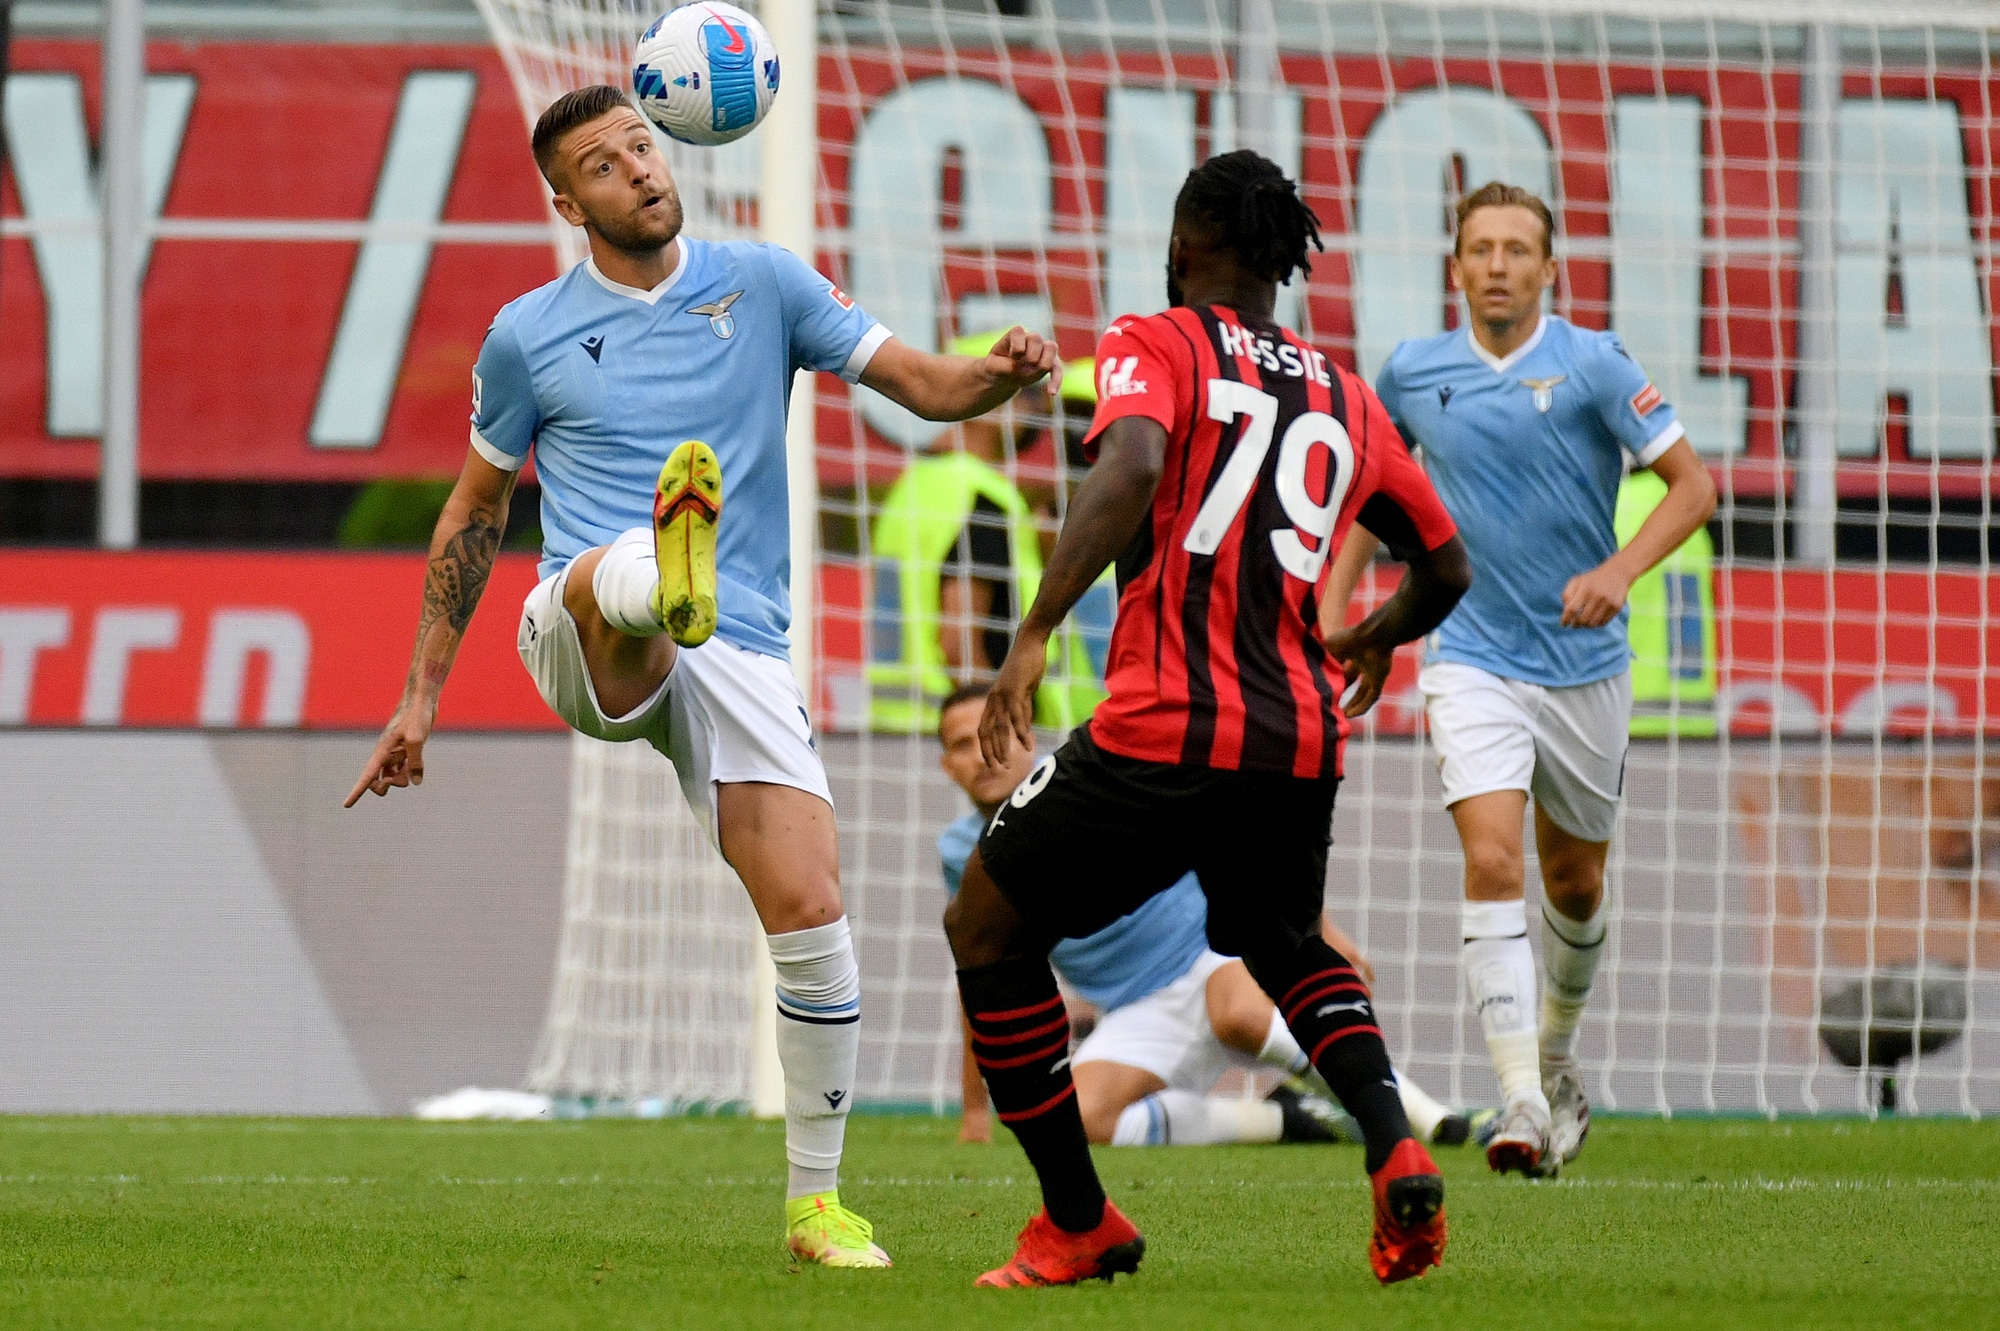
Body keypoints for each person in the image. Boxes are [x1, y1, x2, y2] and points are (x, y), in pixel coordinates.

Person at [342, 85, 1059, 1269]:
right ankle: (655, 576)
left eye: (641, 143)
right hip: (581, 629)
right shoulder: (527, 334)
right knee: (612, 573)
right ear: (567, 203)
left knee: (813, 912)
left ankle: (816, 1207)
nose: (636, 166)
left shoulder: (765, 283)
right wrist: (421, 697)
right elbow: (474, 511)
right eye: (603, 162)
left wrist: (1002, 370)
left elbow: (928, 385)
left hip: (741, 645)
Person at [940, 150, 1472, 1289]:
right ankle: (1393, 1141)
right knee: (1285, 944)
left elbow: (1133, 460)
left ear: (1182, 247)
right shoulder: (1345, 393)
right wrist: (1374, 634)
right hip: (1295, 738)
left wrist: (1034, 629)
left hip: (1163, 721)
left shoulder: (1156, 340)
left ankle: (1076, 1220)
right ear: (1281, 262)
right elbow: (1445, 563)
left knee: (984, 923)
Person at [1326, 181, 1718, 1178]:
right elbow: (1376, 496)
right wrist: (1342, 613)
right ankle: (1518, 1100)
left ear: (1549, 268)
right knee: (1492, 861)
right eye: (1480, 248)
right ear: (1454, 266)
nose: (1496, 265)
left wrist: (1617, 572)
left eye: (1515, 249)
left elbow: (1693, 487)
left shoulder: (1594, 363)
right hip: (1468, 654)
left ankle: (1553, 1055)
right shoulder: (1412, 372)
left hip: (1585, 667)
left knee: (1574, 883)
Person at [935, 681, 1480, 1150]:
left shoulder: (1079, 787)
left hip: (1214, 952)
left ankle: (1434, 1121)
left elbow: (1235, 832)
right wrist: (976, 1108)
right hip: (1137, 1007)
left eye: (995, 733)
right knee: (1080, 1118)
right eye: (962, 745)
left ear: (1027, 736)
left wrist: (1320, 927)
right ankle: (1289, 1120)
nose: (983, 754)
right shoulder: (962, 855)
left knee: (1239, 1014)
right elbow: (984, 971)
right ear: (946, 765)